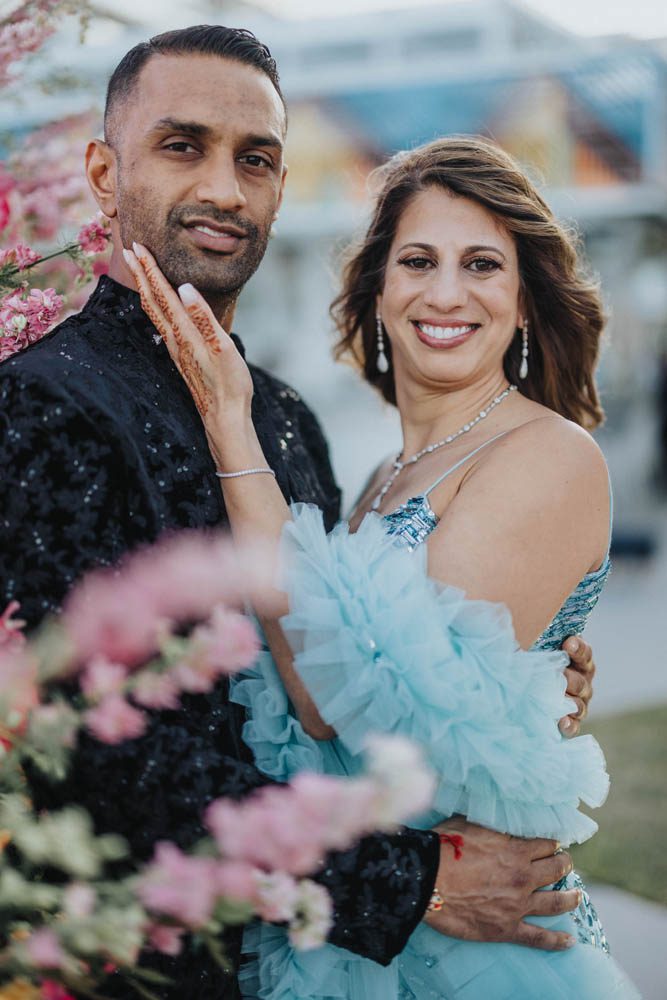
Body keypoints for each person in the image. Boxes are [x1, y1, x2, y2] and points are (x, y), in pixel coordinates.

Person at [0, 25, 596, 999]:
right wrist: (411, 883)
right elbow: (85, 748)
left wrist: (513, 669)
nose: (226, 190)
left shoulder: (283, 420)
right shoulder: (39, 404)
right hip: (147, 969)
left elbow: (338, 673)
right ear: (104, 177)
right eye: (183, 145)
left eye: (258, 159)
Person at [123, 133, 640, 998]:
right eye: (416, 260)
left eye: (481, 264)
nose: (444, 292)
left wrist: (230, 425)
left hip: (486, 956)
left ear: (523, 302)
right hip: (380, 926)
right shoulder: (377, 480)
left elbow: (341, 702)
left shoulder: (548, 454)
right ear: (377, 287)